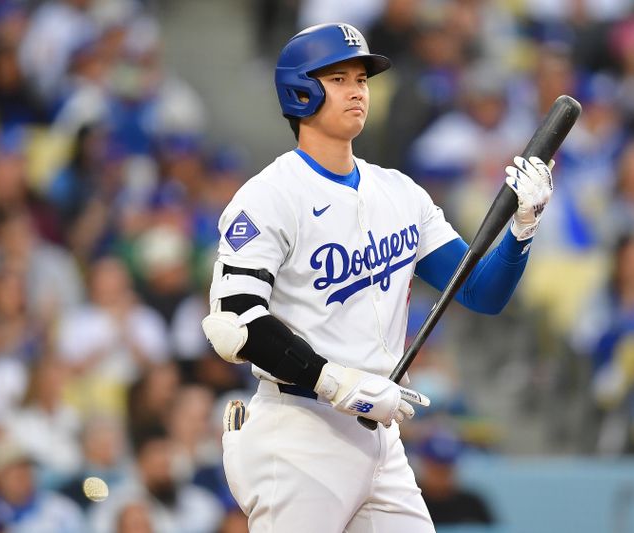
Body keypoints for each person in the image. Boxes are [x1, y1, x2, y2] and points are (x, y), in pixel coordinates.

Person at [202, 23, 554, 531]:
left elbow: (480, 292)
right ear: (300, 91)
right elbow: (235, 324)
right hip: (300, 433)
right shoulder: (269, 196)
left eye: (362, 80)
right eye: (340, 78)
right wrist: (336, 382)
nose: (357, 91)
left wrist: (523, 228)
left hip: (378, 437)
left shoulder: (399, 192)